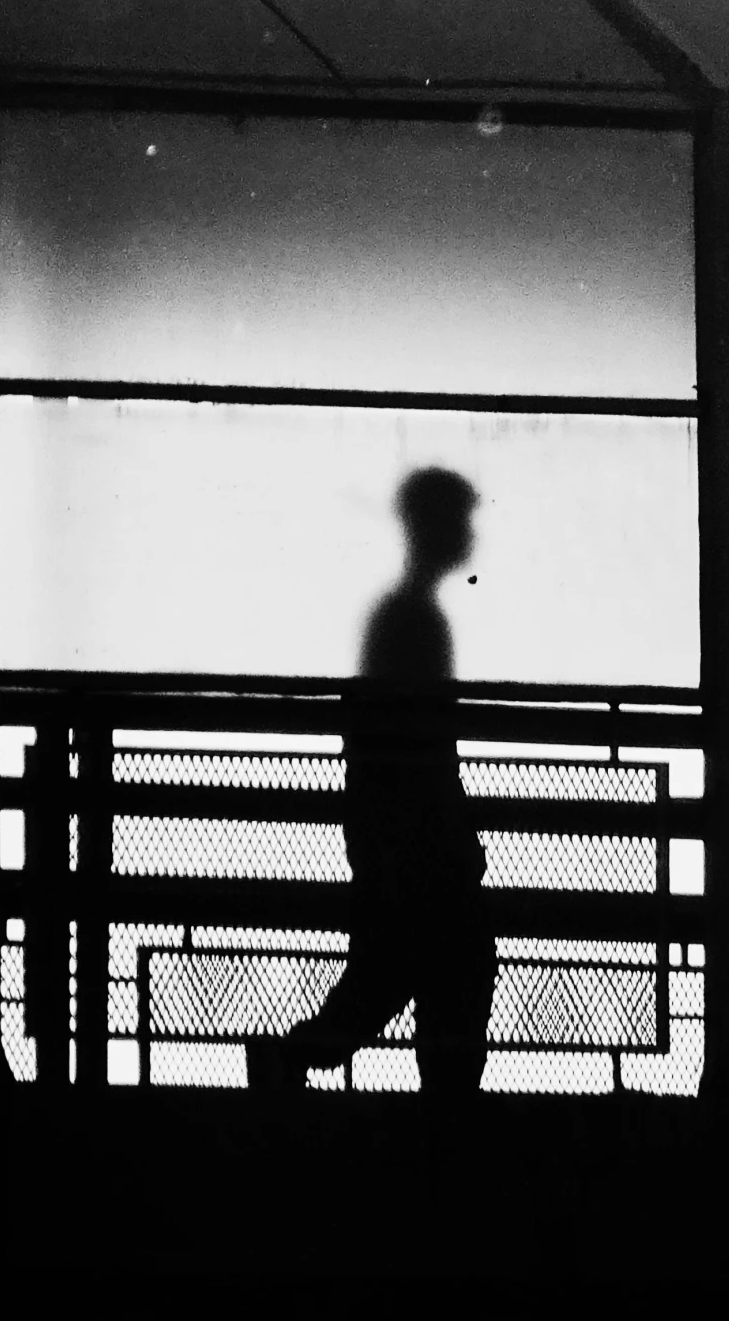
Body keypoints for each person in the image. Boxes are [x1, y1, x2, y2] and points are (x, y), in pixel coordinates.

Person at [249, 468, 496, 1098]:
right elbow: (418, 750)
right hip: (420, 847)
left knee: (385, 980)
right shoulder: (416, 622)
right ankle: (440, 1123)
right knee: (442, 981)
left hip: (399, 843)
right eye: (462, 520)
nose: (471, 534)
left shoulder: (400, 617)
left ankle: (288, 1064)